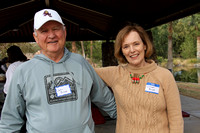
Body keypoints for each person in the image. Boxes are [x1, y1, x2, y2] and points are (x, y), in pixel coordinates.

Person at [0, 9, 116, 133]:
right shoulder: (23, 71)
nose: (51, 35)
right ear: (36, 37)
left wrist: (131, 118)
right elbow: (10, 120)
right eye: (44, 31)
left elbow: (105, 98)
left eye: (56, 29)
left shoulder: (81, 63)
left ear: (64, 31)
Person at [95, 24, 184, 133]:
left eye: (136, 44)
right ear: (121, 51)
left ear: (145, 45)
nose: (132, 50)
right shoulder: (115, 74)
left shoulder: (164, 76)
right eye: (126, 46)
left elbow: (175, 118)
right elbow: (83, 71)